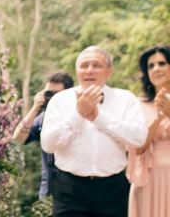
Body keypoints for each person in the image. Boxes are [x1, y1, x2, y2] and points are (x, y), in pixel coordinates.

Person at [41, 46, 147, 217]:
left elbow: (138, 138)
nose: (89, 70)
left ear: (109, 71)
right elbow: (48, 144)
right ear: (77, 71)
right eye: (84, 65)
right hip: (69, 189)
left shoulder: (126, 99)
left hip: (113, 189)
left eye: (96, 65)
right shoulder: (59, 100)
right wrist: (78, 114)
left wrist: (98, 117)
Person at [12, 71, 73, 199]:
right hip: (49, 188)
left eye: (57, 94)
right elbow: (17, 139)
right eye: (49, 93)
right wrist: (35, 108)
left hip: (74, 187)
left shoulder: (78, 116)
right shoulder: (44, 118)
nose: (52, 98)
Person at [127, 44, 170, 217]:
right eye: (151, 66)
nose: (156, 69)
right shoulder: (137, 105)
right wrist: (158, 117)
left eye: (162, 63)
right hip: (148, 180)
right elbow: (136, 147)